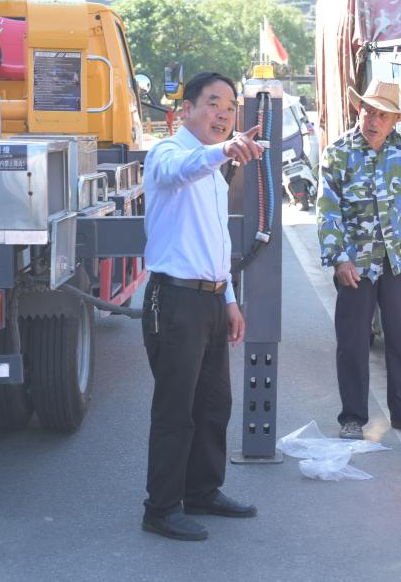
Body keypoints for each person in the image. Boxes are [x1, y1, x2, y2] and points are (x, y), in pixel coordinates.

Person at [141, 71, 264, 541]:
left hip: (211, 301)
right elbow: (181, 171)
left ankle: (202, 491)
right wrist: (225, 150)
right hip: (174, 301)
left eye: (230, 108)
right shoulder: (168, 154)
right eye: (213, 103)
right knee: (176, 409)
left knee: (214, 405)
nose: (223, 114)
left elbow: (217, 242)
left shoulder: (214, 168)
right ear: (186, 109)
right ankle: (161, 507)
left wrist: (229, 300)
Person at [317, 79, 401, 441]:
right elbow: (327, 212)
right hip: (355, 264)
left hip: (398, 261)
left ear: (394, 121)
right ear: (360, 111)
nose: (373, 120)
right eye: (368, 111)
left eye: (382, 115)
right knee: (353, 342)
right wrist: (339, 259)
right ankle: (352, 418)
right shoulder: (338, 153)